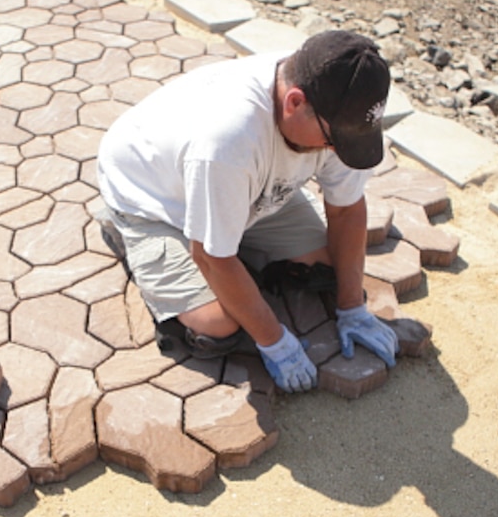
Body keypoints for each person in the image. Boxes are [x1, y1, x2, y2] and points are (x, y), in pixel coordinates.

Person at [96, 29, 399, 393]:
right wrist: (275, 342)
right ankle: (125, 230)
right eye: (333, 141)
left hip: (245, 187)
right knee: (218, 324)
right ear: (295, 102)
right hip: (156, 198)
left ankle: (233, 239)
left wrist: (352, 307)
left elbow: (347, 211)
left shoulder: (336, 97)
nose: (338, 152)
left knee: (327, 269)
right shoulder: (227, 141)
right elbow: (210, 257)